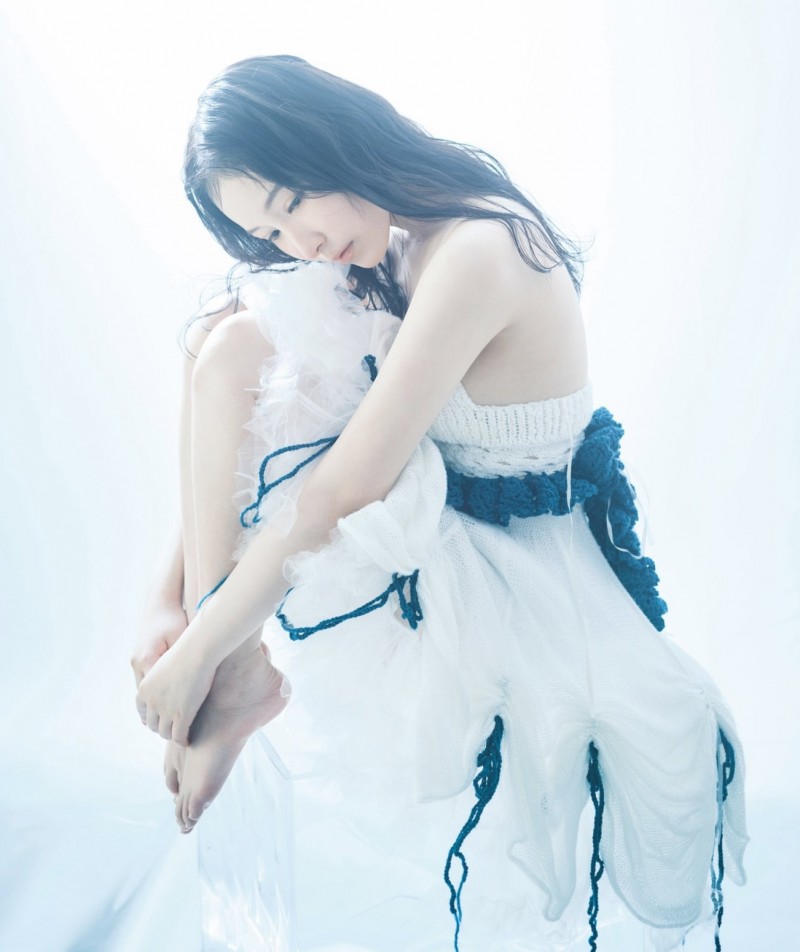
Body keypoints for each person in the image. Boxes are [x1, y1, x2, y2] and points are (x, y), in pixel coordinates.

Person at [130, 54, 748, 951]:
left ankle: (223, 669)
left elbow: (348, 487)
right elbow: (245, 411)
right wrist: (172, 606)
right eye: (271, 231)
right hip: (425, 505)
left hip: (510, 564)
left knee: (245, 373)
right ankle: (233, 678)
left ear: (332, 137)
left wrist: (197, 647)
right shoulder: (388, 239)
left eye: (294, 203)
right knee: (220, 345)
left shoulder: (479, 249)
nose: (301, 243)